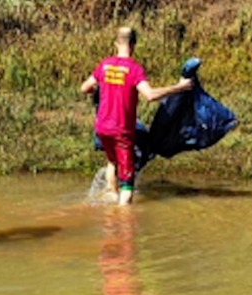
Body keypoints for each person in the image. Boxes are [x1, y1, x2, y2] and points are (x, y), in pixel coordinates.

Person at [80, 27, 193, 205]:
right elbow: (150, 95)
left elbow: (84, 88)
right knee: (127, 183)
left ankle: (111, 197)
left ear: (116, 43)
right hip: (121, 132)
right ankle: (122, 220)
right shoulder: (134, 69)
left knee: (111, 160)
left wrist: (105, 89)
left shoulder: (105, 65)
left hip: (102, 128)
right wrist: (180, 87)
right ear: (133, 45)